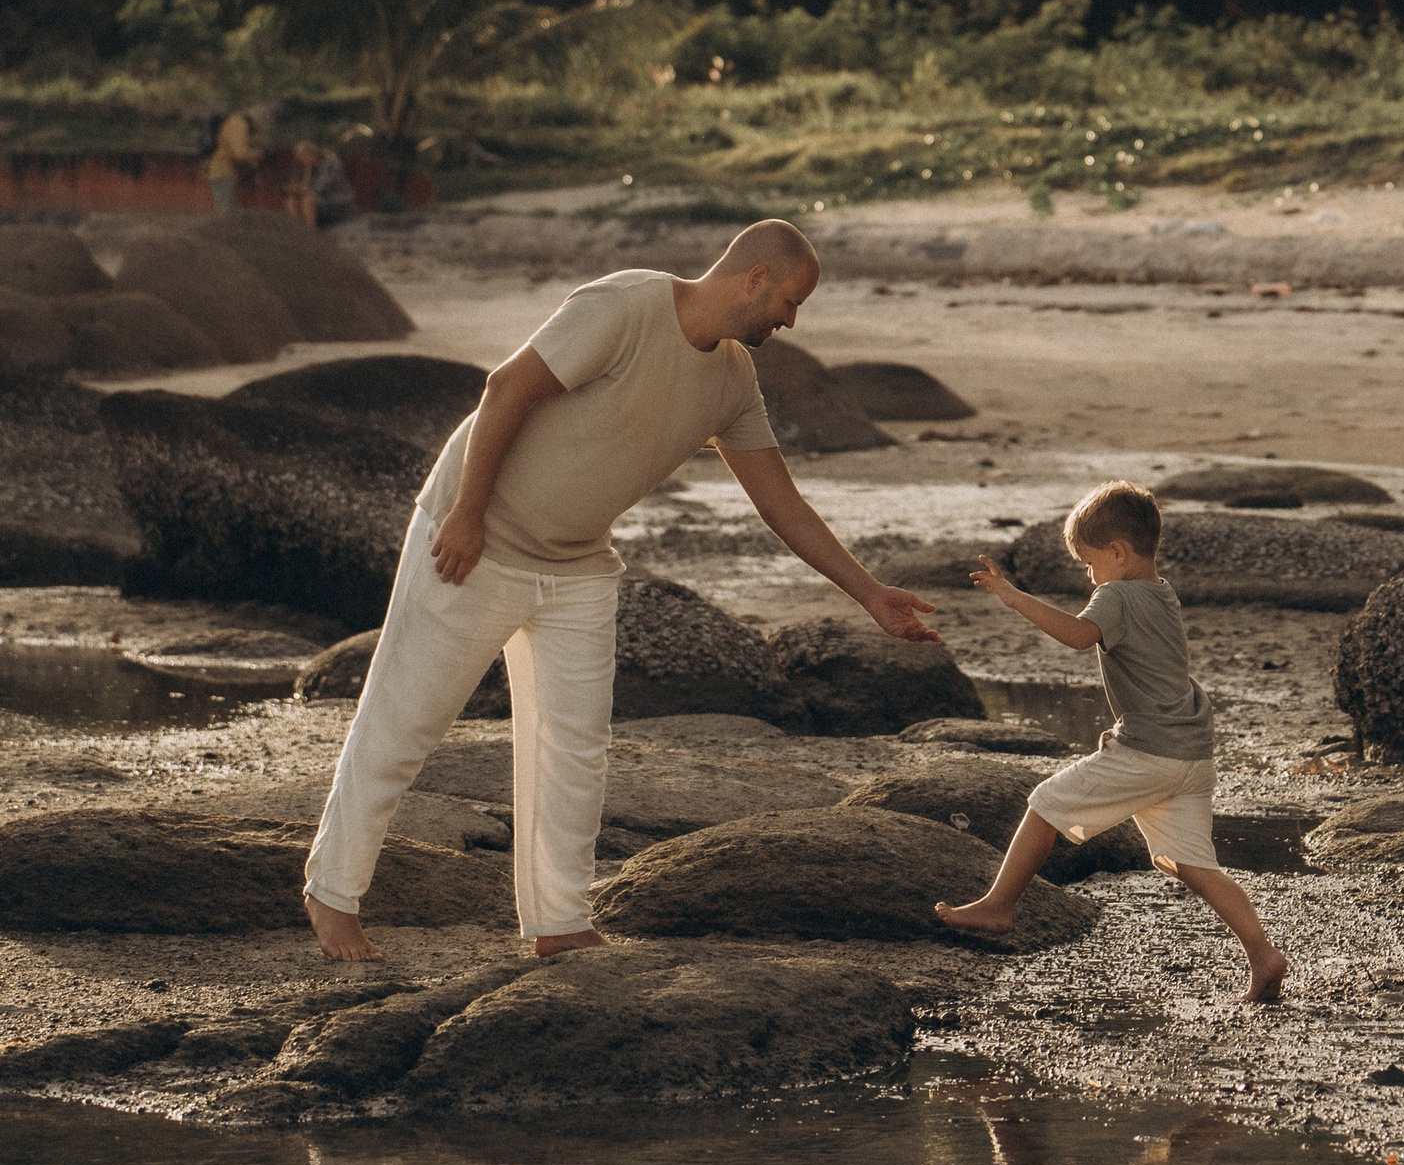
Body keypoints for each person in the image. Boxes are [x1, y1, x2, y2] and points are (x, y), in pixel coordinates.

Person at [302, 220, 937, 963]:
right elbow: (508, 386)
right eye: (790, 302)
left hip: (576, 565)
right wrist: (467, 512)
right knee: (404, 721)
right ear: (756, 278)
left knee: (575, 747)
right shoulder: (626, 305)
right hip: (476, 538)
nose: (791, 321)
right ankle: (332, 893)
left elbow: (780, 502)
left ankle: (559, 921)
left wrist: (868, 593)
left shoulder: (734, 381)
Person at [935, 481, 1289, 1004]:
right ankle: (1262, 954)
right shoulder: (1160, 591)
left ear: (1118, 553)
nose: (1089, 575)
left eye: (1088, 563)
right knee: (1192, 863)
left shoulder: (1117, 595)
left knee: (1045, 804)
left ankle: (998, 905)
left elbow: (1079, 636)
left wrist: (1013, 598)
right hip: (1193, 753)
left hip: (1150, 749)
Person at [205, 105, 260, 218]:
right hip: (223, 171)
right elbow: (239, 154)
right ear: (255, 120)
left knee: (223, 209)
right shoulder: (239, 124)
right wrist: (255, 155)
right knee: (225, 212)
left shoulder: (233, 122)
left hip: (220, 170)